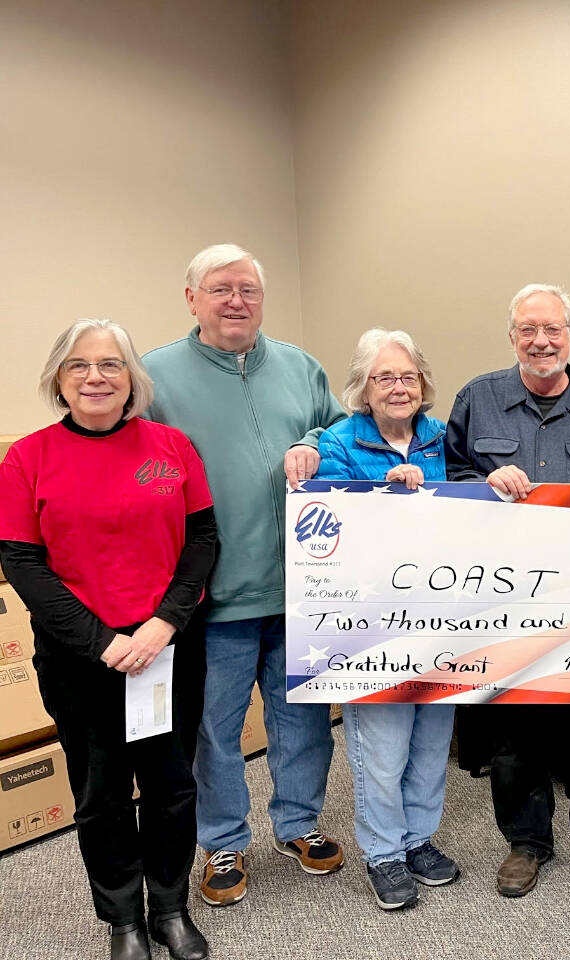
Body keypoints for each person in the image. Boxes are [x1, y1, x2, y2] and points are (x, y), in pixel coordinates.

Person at [0, 320, 216, 960]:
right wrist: (102, 641)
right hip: (80, 659)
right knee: (101, 793)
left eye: (110, 364)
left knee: (172, 786)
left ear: (132, 380)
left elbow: (203, 541)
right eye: (79, 366)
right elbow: (21, 562)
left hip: (167, 649)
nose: (95, 377)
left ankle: (171, 908)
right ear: (58, 380)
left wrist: (163, 624)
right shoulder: (27, 458)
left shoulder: (173, 447)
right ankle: (123, 918)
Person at [143, 244, 347, 907]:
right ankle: (224, 841)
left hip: (302, 590)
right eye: (222, 288)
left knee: (304, 723)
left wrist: (314, 444)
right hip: (214, 595)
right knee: (215, 732)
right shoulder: (155, 378)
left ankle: (298, 824)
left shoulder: (299, 365)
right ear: (192, 297)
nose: (237, 301)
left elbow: (342, 434)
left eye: (249, 290)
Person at [445, 282, 570, 897]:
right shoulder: (477, 399)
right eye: (528, 329)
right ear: (512, 336)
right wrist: (483, 479)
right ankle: (526, 843)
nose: (541, 340)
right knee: (516, 730)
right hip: (503, 597)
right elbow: (445, 481)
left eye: (552, 329)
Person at [313, 329, 458, 911]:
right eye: (384, 377)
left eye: (408, 376)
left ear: (422, 384)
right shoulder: (339, 441)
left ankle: (420, 840)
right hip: (369, 623)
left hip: (444, 615)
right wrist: (378, 492)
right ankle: (385, 854)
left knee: (431, 739)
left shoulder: (443, 437)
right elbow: (323, 521)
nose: (398, 387)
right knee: (383, 743)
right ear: (362, 389)